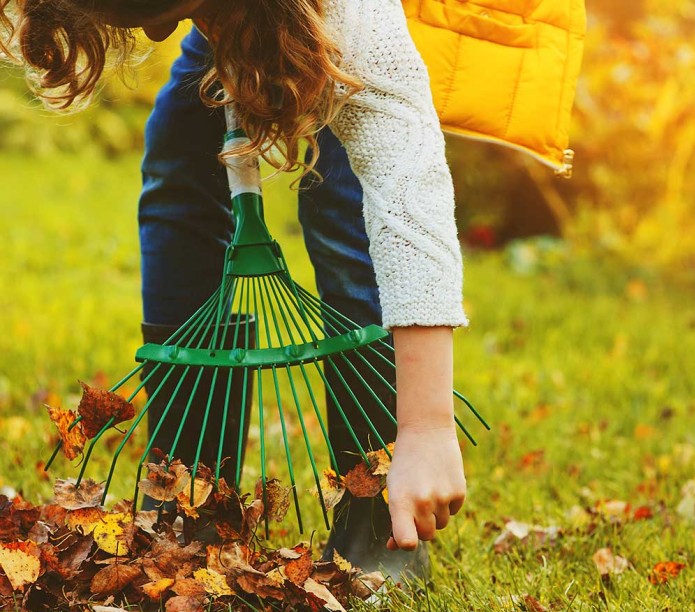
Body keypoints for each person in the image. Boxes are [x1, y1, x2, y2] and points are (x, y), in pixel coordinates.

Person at [2, 0, 469, 582]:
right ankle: (187, 494)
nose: (156, 31)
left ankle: (378, 504)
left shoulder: (358, 27)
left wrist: (427, 429)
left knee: (344, 191)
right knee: (181, 147)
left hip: (330, 22)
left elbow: (407, 184)